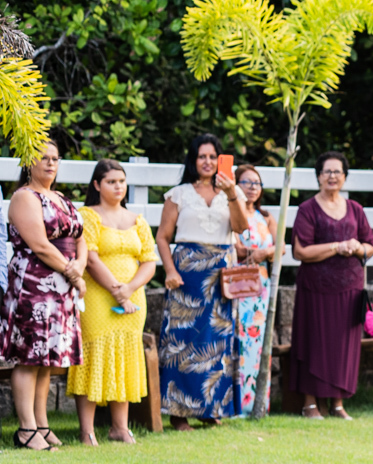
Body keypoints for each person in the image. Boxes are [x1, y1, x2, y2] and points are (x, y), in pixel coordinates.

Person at [155, 133, 250, 430]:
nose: (207, 162)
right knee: (182, 340)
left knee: (216, 341)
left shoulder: (232, 193)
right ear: (193, 160)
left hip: (220, 273)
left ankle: (211, 409)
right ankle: (178, 412)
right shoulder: (179, 194)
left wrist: (232, 192)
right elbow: (162, 237)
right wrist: (170, 270)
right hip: (186, 272)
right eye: (201, 156)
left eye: (213, 156)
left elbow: (241, 227)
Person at [1, 140, 86, 451]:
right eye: (44, 158)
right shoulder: (24, 197)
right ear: (28, 162)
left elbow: (81, 237)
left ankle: (42, 424)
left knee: (46, 359)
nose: (51, 163)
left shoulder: (60, 197)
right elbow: (39, 244)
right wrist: (72, 271)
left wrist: (80, 266)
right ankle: (25, 430)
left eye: (55, 158)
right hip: (34, 282)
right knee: (29, 356)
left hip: (62, 282)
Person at [68, 159, 156, 445]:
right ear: (97, 185)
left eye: (121, 181)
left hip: (133, 300)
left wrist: (129, 288)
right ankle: (87, 430)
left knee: (125, 355)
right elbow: (90, 258)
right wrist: (117, 292)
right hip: (97, 297)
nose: (118, 186)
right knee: (94, 353)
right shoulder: (88, 215)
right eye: (111, 181)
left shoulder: (137, 220)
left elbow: (149, 262)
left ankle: (120, 427)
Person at [289, 151, 373, 420]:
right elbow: (300, 251)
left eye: (337, 172)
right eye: (327, 171)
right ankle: (310, 404)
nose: (332, 176)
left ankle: (338, 404)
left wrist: (356, 246)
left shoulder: (355, 209)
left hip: (349, 288)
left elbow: (370, 246)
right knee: (313, 342)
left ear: (345, 177)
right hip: (315, 288)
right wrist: (337, 246)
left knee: (342, 347)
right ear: (318, 176)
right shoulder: (307, 209)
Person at [233, 164, 276, 414]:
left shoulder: (266, 217)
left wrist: (264, 252)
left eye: (256, 183)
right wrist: (256, 253)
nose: (252, 188)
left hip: (262, 286)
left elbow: (279, 246)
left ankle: (257, 404)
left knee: (259, 344)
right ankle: (237, 404)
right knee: (239, 341)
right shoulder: (233, 214)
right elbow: (237, 248)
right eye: (246, 182)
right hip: (239, 283)